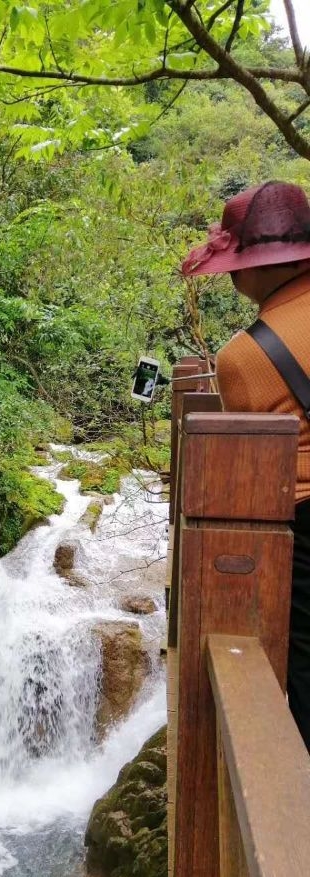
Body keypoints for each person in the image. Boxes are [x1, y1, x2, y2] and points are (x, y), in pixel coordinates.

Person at [182, 180, 310, 750]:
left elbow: (246, 471)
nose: (231, 276)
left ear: (264, 264)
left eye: (238, 262)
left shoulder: (243, 357)